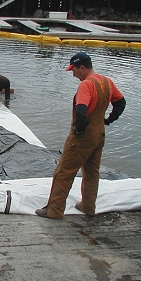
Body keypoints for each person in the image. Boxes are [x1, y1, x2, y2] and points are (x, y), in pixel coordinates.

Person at [36, 52, 126, 219]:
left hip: (84, 136)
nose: (73, 74)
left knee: (64, 172)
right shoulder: (107, 82)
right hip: (99, 134)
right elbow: (121, 102)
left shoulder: (86, 85)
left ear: (82, 67)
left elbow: (81, 111)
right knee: (92, 171)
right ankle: (88, 206)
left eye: (74, 70)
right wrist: (108, 120)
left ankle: (54, 211)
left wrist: (78, 130)